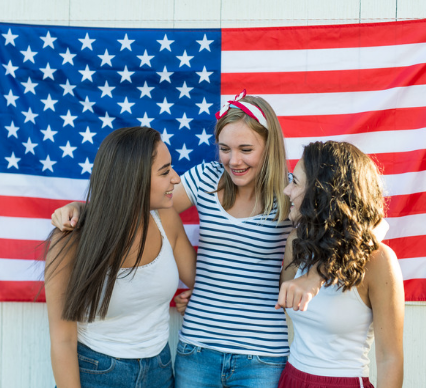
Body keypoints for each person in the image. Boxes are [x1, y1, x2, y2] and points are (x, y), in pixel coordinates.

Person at [51, 90, 323, 388]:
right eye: (224, 148)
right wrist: (81, 210)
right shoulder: (207, 179)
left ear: (269, 147)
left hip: (261, 353)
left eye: (246, 149)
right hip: (197, 344)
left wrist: (312, 277)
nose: (233, 160)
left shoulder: (290, 193)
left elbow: (342, 237)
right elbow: (136, 201)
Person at [45, 126, 196, 388]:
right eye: (164, 171)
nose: (175, 179)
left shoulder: (166, 219)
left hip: (160, 371)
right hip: (96, 373)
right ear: (132, 179)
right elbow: (62, 341)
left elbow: (200, 278)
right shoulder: (70, 239)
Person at [278, 141, 404, 388]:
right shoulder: (297, 242)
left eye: (295, 182)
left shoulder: (378, 261)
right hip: (292, 378)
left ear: (320, 193)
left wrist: (316, 277)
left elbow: (391, 359)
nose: (286, 190)